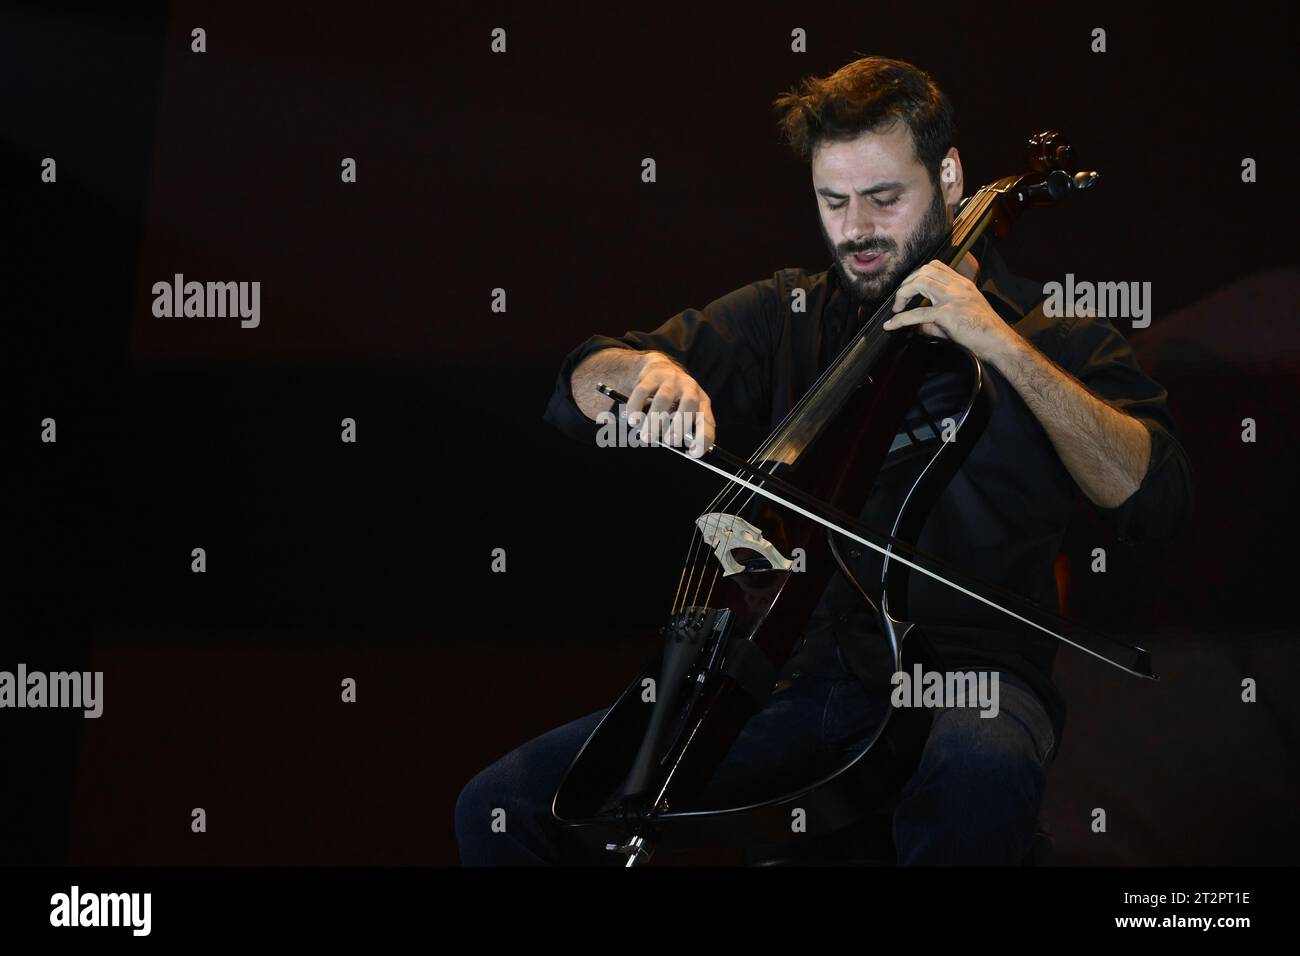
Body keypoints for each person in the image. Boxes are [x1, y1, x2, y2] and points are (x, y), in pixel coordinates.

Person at [455, 55, 1193, 866]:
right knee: (505, 805)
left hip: (970, 682)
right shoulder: (788, 312)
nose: (855, 229)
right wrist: (638, 374)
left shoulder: (1060, 338)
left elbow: (1149, 497)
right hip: (791, 683)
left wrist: (998, 343)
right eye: (832, 201)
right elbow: (581, 385)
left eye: (884, 198)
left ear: (949, 177)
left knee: (974, 765)